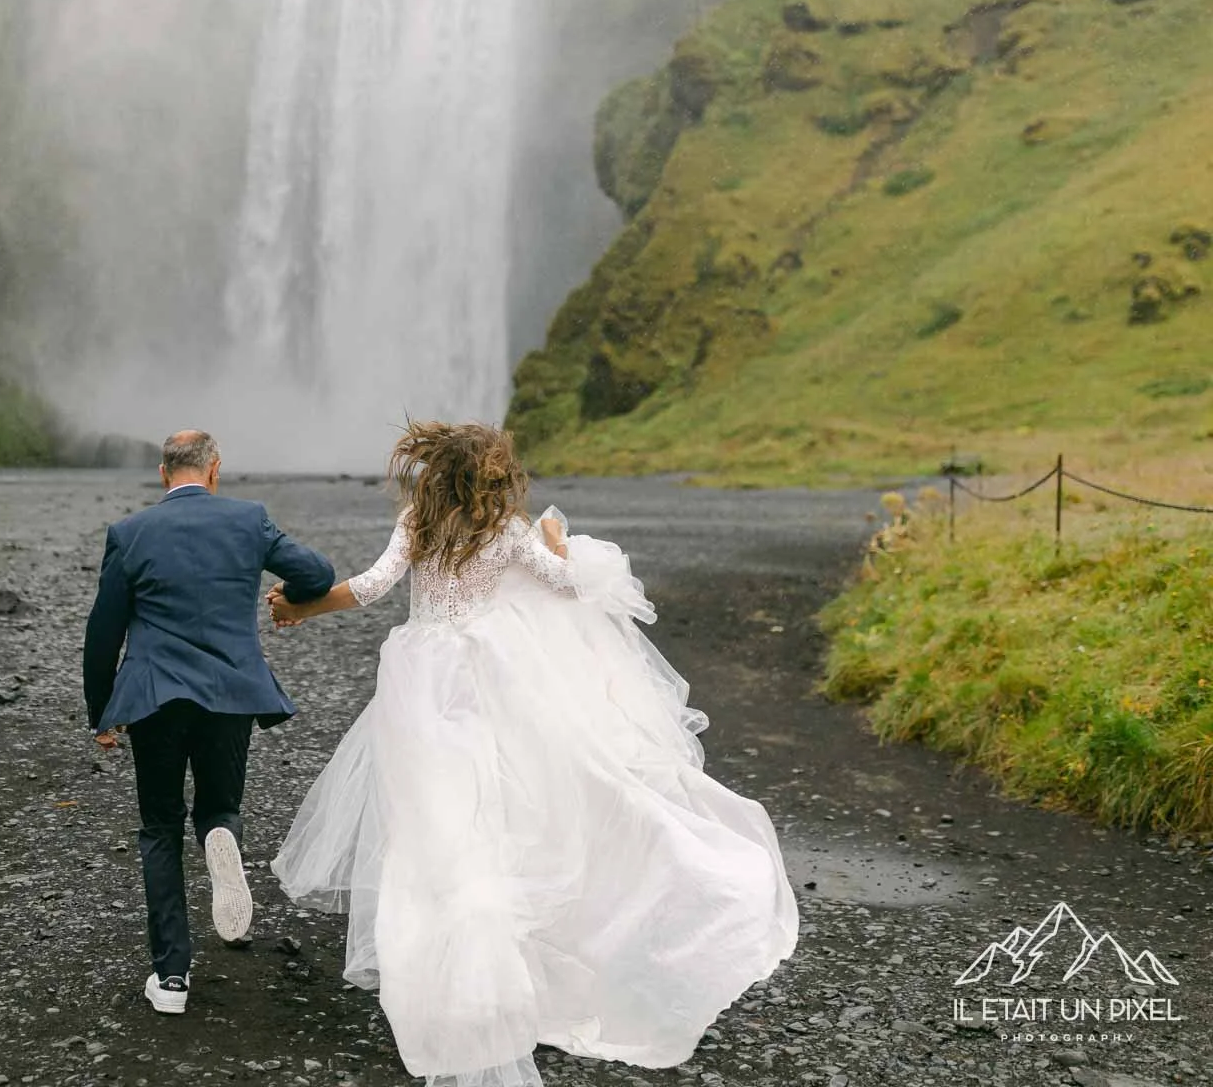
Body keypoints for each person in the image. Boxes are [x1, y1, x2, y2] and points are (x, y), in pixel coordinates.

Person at [266, 422, 798, 1086]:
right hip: (487, 672)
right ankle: (502, 967)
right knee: (502, 805)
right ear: (492, 476)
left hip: (421, 673)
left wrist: (302, 608)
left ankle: (445, 971)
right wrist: (556, 540)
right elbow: (570, 586)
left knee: (432, 817)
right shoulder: (508, 531)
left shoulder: (418, 521)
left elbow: (372, 586)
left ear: (438, 472)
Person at [83, 429, 337, 1016]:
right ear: (215, 470)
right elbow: (318, 573)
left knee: (159, 826)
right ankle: (220, 835)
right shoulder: (247, 520)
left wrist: (103, 712)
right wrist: (289, 596)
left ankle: (172, 978)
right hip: (230, 692)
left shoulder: (131, 532)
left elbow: (103, 632)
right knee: (219, 806)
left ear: (162, 473)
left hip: (155, 697)